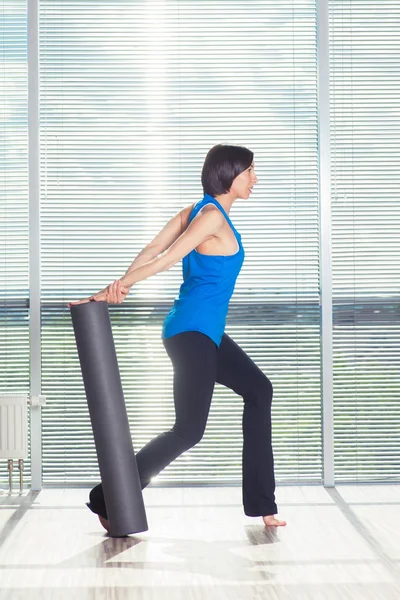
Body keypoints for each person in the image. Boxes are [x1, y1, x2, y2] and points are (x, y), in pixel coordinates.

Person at [70, 144, 286, 532]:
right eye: (251, 170)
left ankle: (262, 504)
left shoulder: (198, 211)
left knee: (259, 389)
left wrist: (120, 285)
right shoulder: (208, 217)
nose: (256, 178)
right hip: (193, 333)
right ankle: (107, 496)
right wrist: (117, 287)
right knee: (189, 429)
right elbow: (165, 258)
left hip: (204, 332)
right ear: (231, 173)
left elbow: (155, 247)